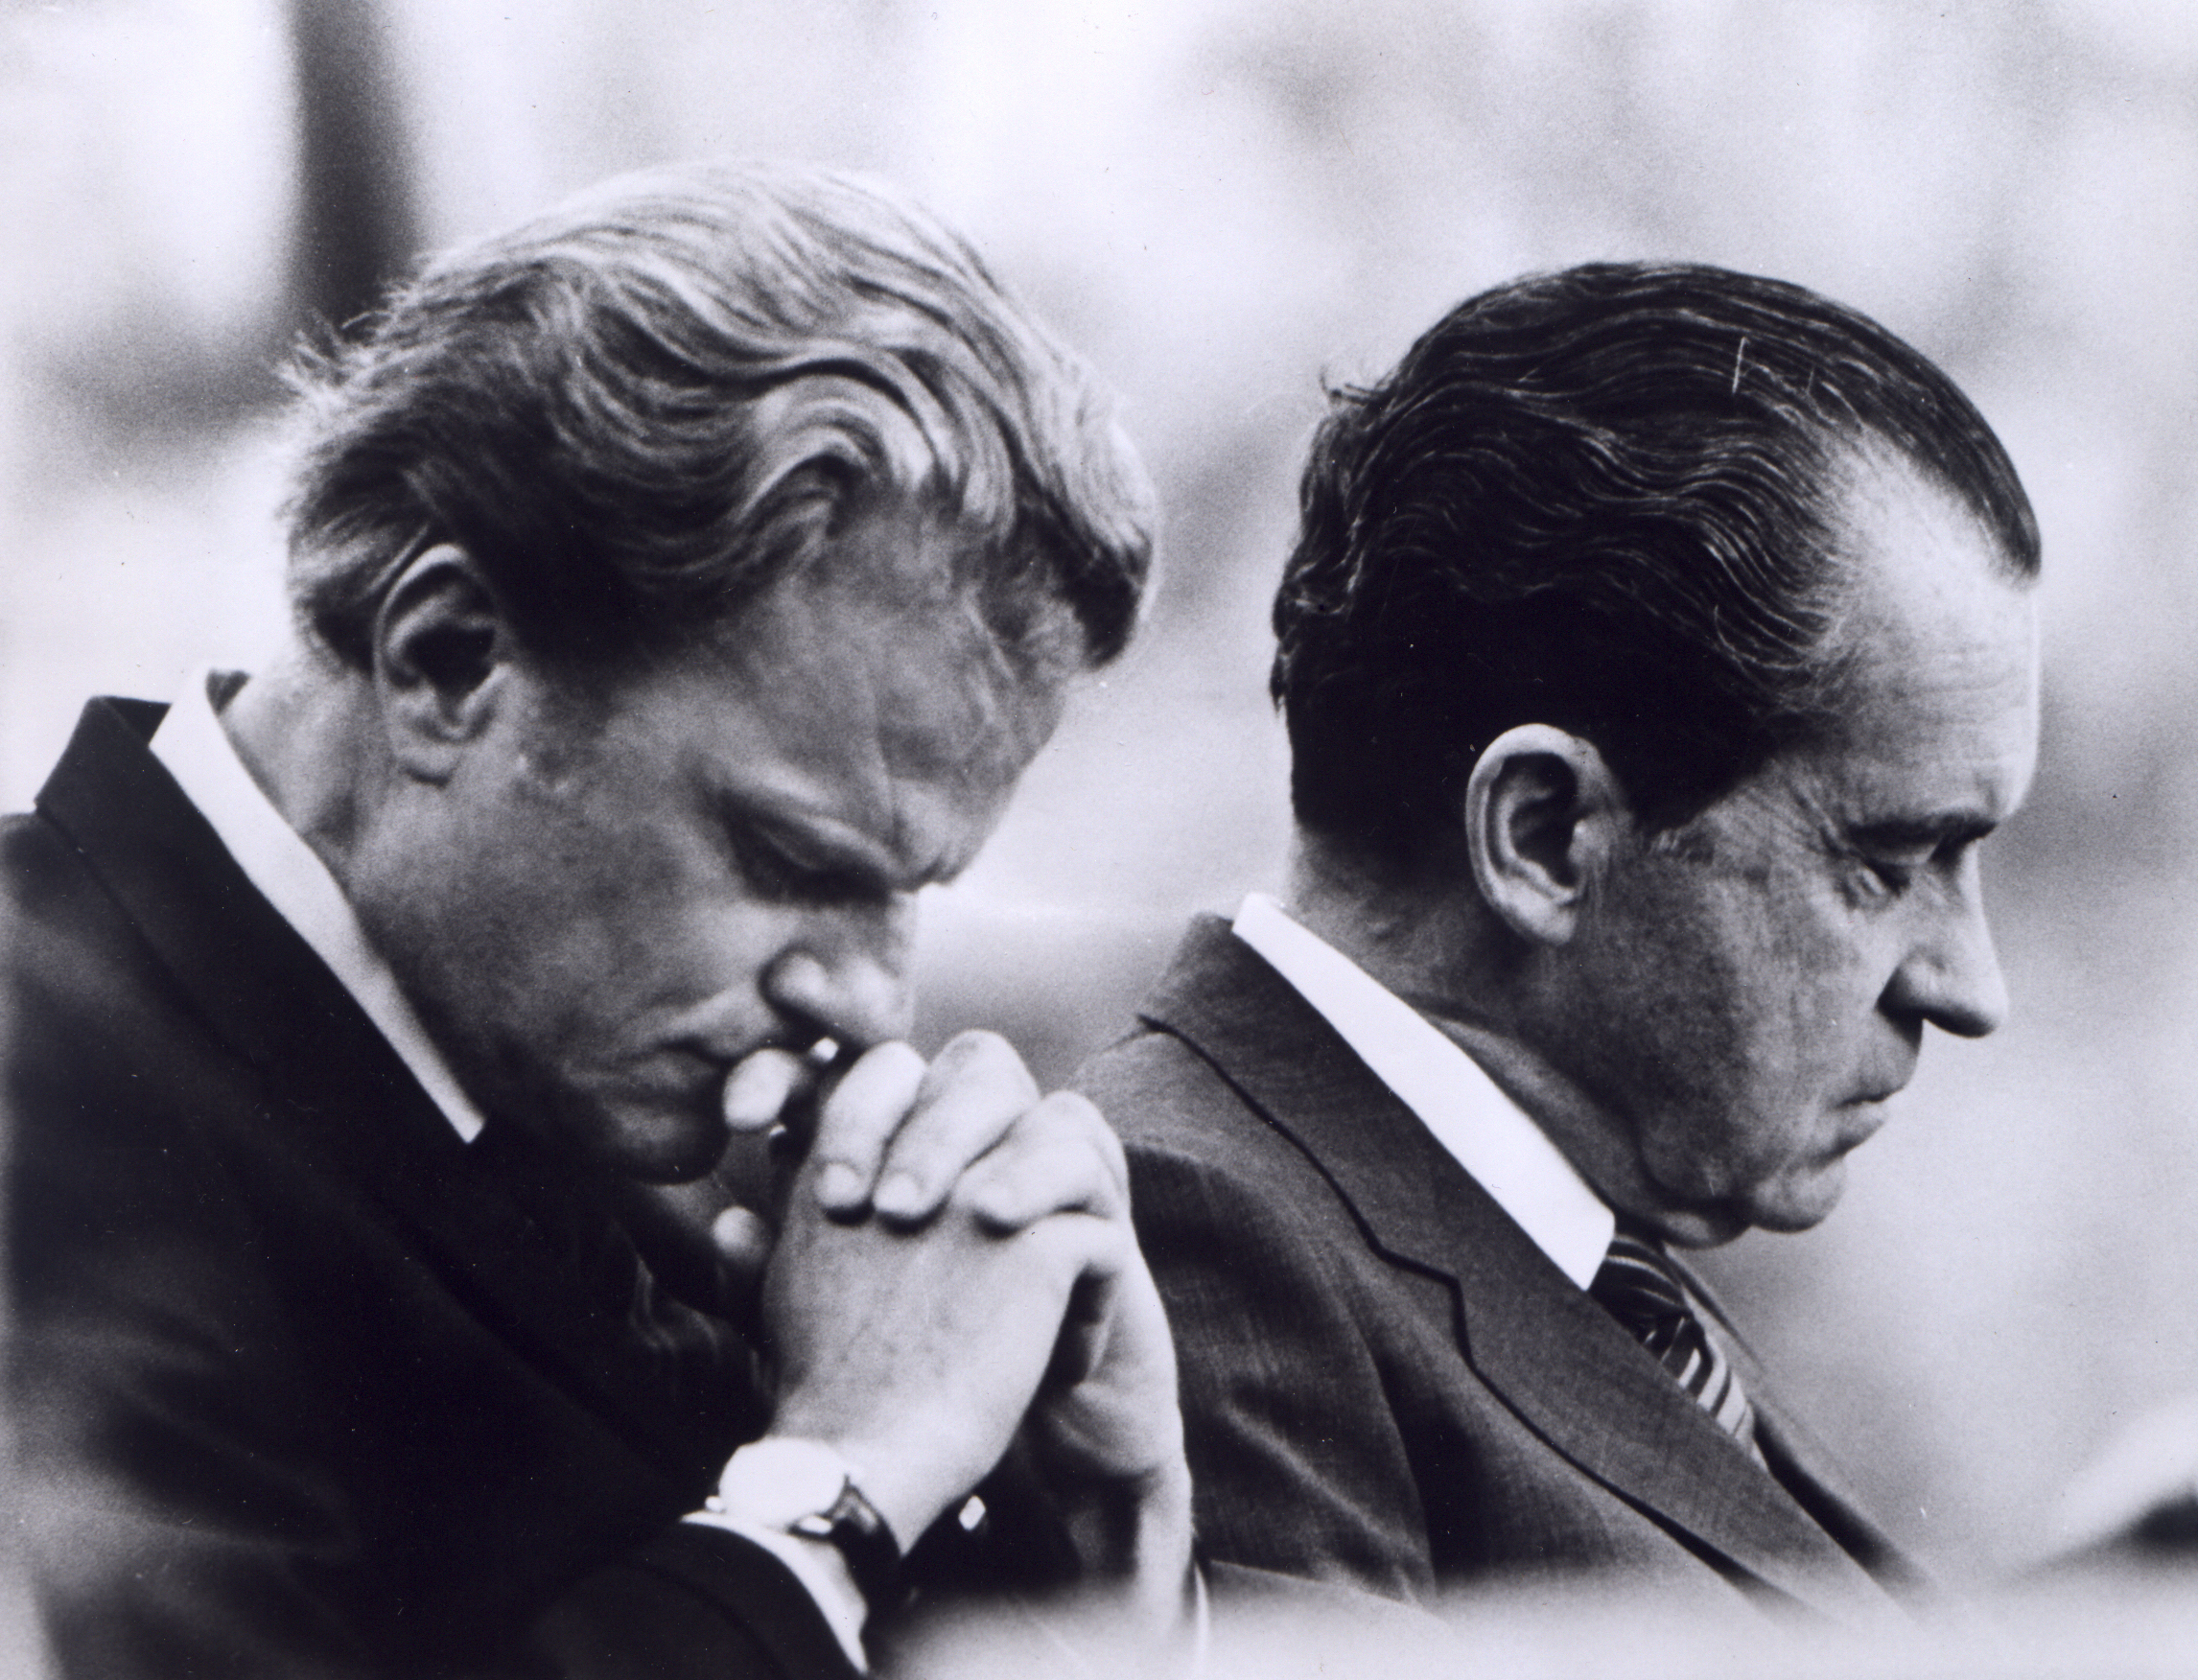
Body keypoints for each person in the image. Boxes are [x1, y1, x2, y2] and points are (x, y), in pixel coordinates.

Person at [1, 160, 1192, 1679]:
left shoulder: (567, 1083)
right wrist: (838, 1483)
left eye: (909, 896)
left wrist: (1096, 1536)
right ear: (447, 659)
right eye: (792, 857)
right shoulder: (39, 1091)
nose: (874, 1003)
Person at [1076, 263, 2041, 1624]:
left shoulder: (1571, 1248)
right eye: (1886, 864)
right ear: (1542, 838)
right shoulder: (1193, 1245)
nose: (1969, 989)